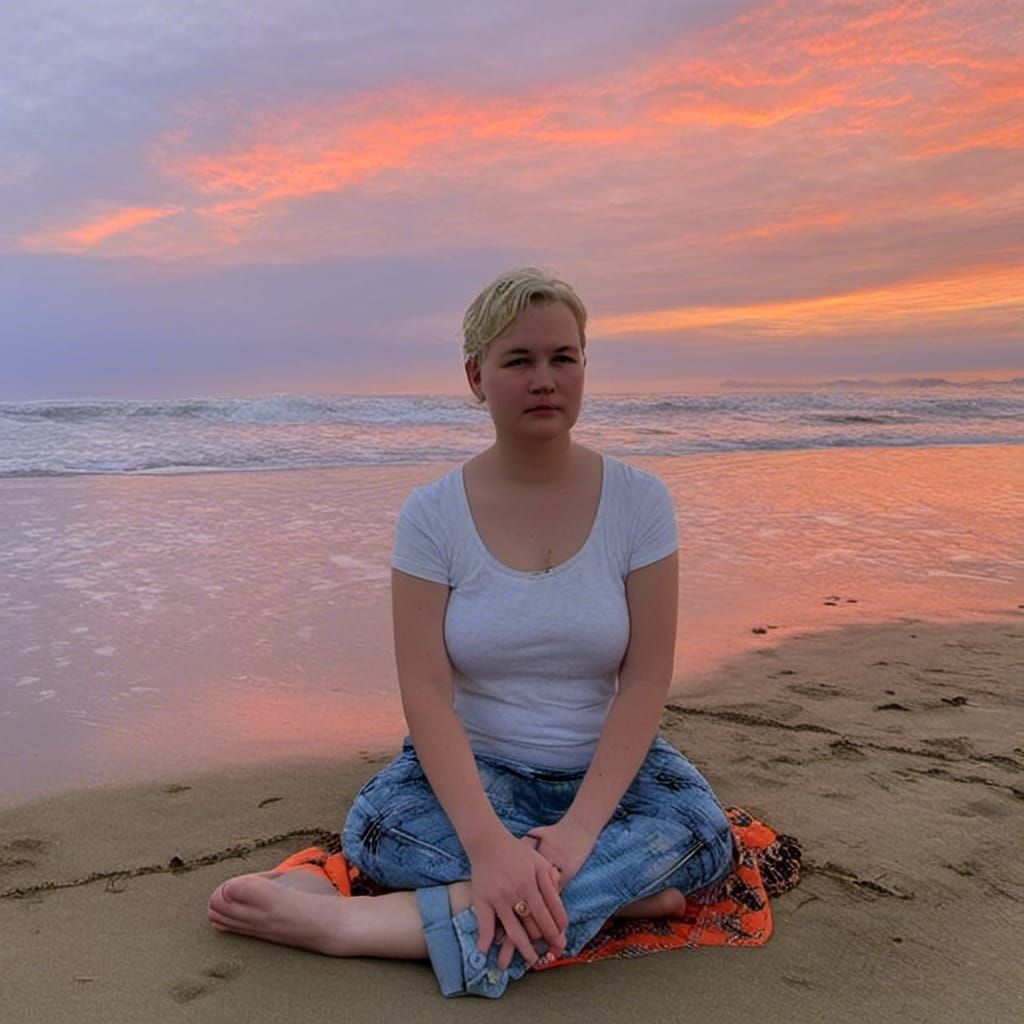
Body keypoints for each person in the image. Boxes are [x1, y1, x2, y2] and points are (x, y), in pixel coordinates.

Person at [207, 267, 734, 998]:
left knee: (706, 841)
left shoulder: (641, 503)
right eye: (518, 360)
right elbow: (426, 695)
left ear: (585, 367)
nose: (544, 379)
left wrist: (579, 833)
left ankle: (365, 926)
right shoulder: (433, 515)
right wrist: (488, 845)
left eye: (563, 358)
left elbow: (645, 681)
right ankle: (621, 898)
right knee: (376, 830)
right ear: (476, 376)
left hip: (609, 775)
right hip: (475, 771)